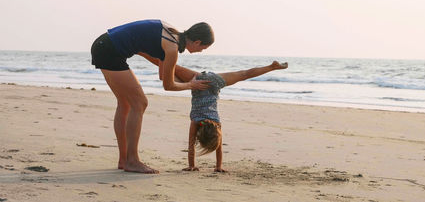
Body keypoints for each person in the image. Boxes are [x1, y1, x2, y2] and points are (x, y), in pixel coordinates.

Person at [90, 19, 214, 174]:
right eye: (204, 48)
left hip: (104, 45)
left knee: (126, 103)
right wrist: (191, 85)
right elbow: (168, 86)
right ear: (197, 42)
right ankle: (132, 160)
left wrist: (188, 78)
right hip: (109, 51)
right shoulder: (172, 48)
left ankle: (124, 159)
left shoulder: (172, 33)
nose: (202, 51)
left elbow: (163, 75)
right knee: (140, 103)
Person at [172, 61, 288, 173]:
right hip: (201, 82)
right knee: (172, 68)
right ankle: (271, 67)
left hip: (208, 83)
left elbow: (217, 148)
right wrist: (208, 166)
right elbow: (192, 145)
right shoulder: (197, 122)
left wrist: (200, 166)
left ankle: (272, 66)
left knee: (170, 68)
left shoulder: (216, 124)